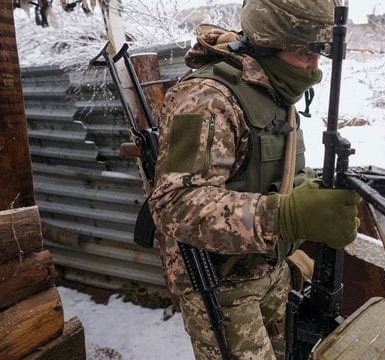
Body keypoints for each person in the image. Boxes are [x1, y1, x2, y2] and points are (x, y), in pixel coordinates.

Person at [148, 0, 360, 358]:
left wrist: (315, 192)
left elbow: (271, 169)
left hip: (271, 271)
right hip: (221, 285)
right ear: (269, 41)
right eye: (304, 50)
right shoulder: (207, 99)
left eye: (319, 51)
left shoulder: (273, 91)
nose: (315, 65)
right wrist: (286, 216)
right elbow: (174, 204)